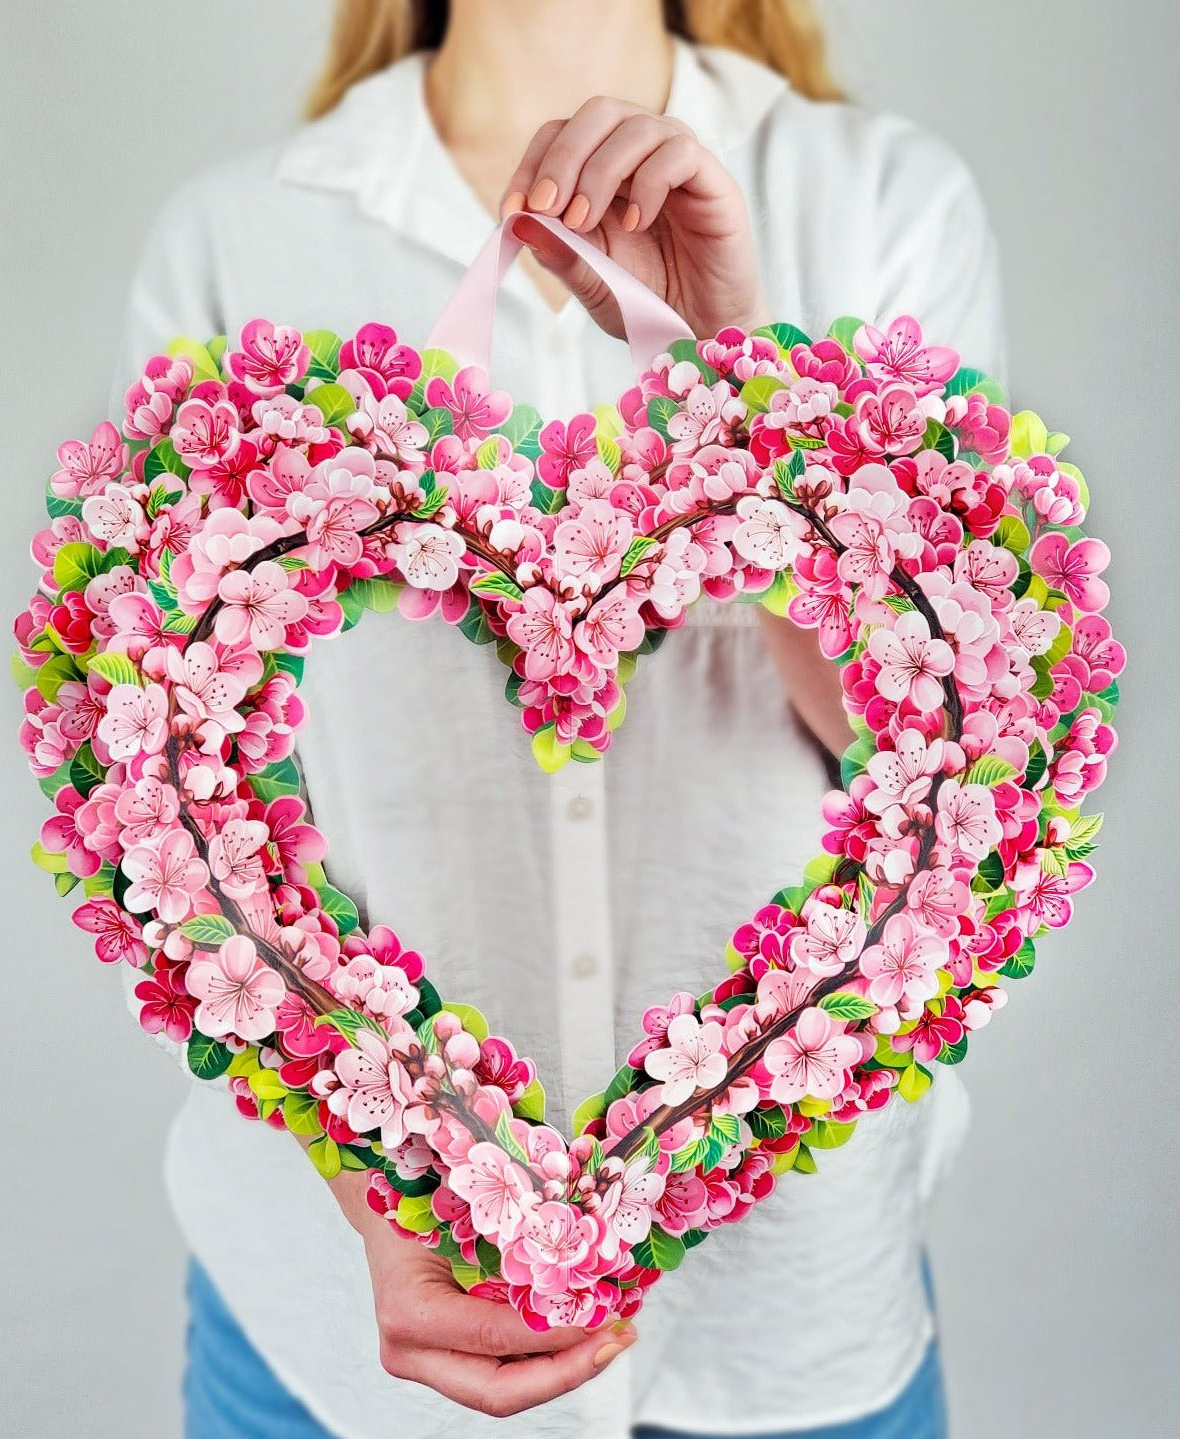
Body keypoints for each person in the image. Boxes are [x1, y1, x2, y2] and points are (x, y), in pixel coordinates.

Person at [113, 1, 1005, 1435]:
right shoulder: (235, 237)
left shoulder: (879, 200)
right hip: (327, 1335)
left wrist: (746, 379)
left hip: (784, 1323)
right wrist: (378, 1180)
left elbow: (937, 753)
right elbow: (169, 805)